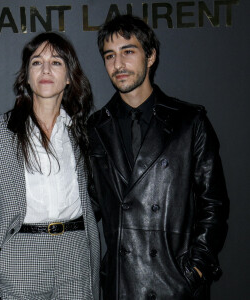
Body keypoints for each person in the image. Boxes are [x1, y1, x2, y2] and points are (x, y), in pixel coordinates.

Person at [88, 14, 229, 300]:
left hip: (175, 285)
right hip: (121, 286)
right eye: (109, 56)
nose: (118, 65)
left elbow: (213, 204)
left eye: (128, 52)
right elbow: (86, 207)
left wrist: (194, 271)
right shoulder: (94, 128)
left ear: (150, 56)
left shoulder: (189, 122)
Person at [0, 32, 100, 300]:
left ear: (69, 76)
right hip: (21, 254)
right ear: (26, 76)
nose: (45, 69)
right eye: (36, 62)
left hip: (74, 252)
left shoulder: (84, 132)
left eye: (56, 62)